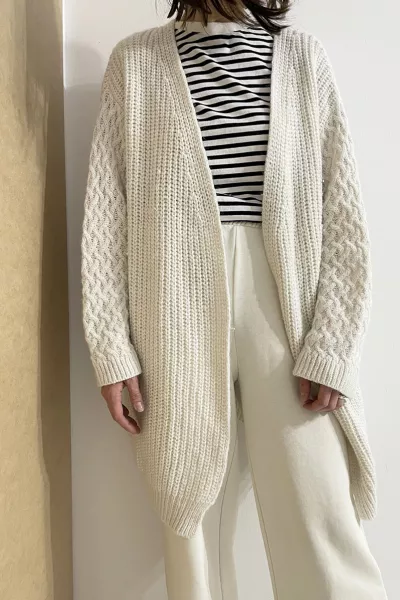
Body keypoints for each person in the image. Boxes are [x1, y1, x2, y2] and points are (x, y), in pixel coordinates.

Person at [80, 1, 388, 598]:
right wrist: (111, 346)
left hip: (286, 309)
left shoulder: (302, 59)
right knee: (191, 519)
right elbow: (106, 214)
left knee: (318, 510)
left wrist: (333, 344)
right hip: (171, 306)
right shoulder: (135, 63)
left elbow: (344, 213)